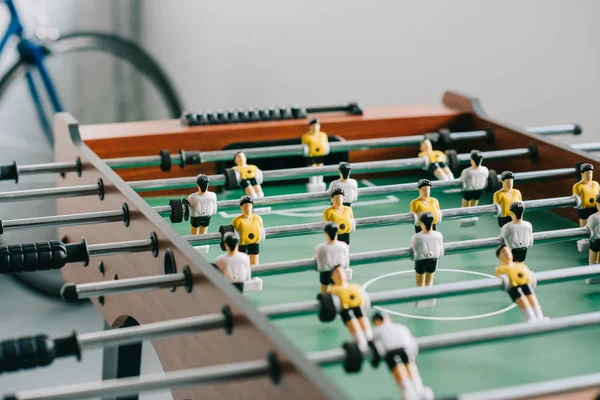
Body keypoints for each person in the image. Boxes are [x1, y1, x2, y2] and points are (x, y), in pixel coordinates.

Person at [372, 312, 432, 400]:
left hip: (392, 352)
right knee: (410, 367)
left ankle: (409, 392)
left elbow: (371, 342)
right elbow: (412, 342)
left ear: (376, 321)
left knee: (399, 370)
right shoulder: (400, 326)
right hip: (405, 350)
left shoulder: (377, 330)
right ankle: (419, 389)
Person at [327, 265, 373, 351]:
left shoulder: (355, 286)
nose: (340, 274)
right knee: (353, 324)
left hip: (358, 307)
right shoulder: (333, 289)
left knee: (364, 322)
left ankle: (370, 339)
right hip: (346, 309)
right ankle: (361, 343)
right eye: (336, 272)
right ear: (332, 277)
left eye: (341, 271)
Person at [494, 245, 544, 322]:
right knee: (522, 300)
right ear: (499, 256)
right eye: (503, 252)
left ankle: (540, 317)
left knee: (532, 298)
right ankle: (531, 318)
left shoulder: (520, 265)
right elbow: (501, 278)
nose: (507, 253)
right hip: (513, 287)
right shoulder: (500, 269)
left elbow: (528, 273)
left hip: (525, 284)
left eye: (508, 251)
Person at [409, 213, 444, 288]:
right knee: (429, 283)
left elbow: (414, 252)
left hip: (421, 261)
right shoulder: (438, 235)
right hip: (433, 260)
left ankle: (420, 298)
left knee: (420, 284)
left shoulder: (416, 237)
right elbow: (441, 251)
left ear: (421, 223)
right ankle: (430, 298)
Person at [314, 222, 350, 293]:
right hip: (338, 271)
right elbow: (346, 262)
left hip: (326, 271)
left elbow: (318, 265)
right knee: (339, 289)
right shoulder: (343, 246)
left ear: (326, 234)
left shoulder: (321, 248)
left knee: (324, 290)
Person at [231, 196, 265, 265]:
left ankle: (255, 275)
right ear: (241, 207)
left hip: (254, 243)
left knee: (255, 263)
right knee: (243, 263)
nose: (248, 209)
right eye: (245, 206)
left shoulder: (258, 219)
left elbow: (261, 229)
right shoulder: (237, 221)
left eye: (250, 206)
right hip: (242, 245)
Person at [301, 118, 330, 192]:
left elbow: (326, 144)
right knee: (312, 168)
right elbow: (304, 147)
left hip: (320, 154)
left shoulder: (323, 135)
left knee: (320, 167)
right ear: (310, 127)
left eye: (317, 126)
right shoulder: (306, 136)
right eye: (313, 126)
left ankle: (320, 184)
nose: (315, 128)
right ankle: (313, 184)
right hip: (311, 156)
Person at [584, 193, 600, 284]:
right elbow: (589, 230)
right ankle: (592, 275)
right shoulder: (593, 218)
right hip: (595, 241)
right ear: (597, 205)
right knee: (594, 259)